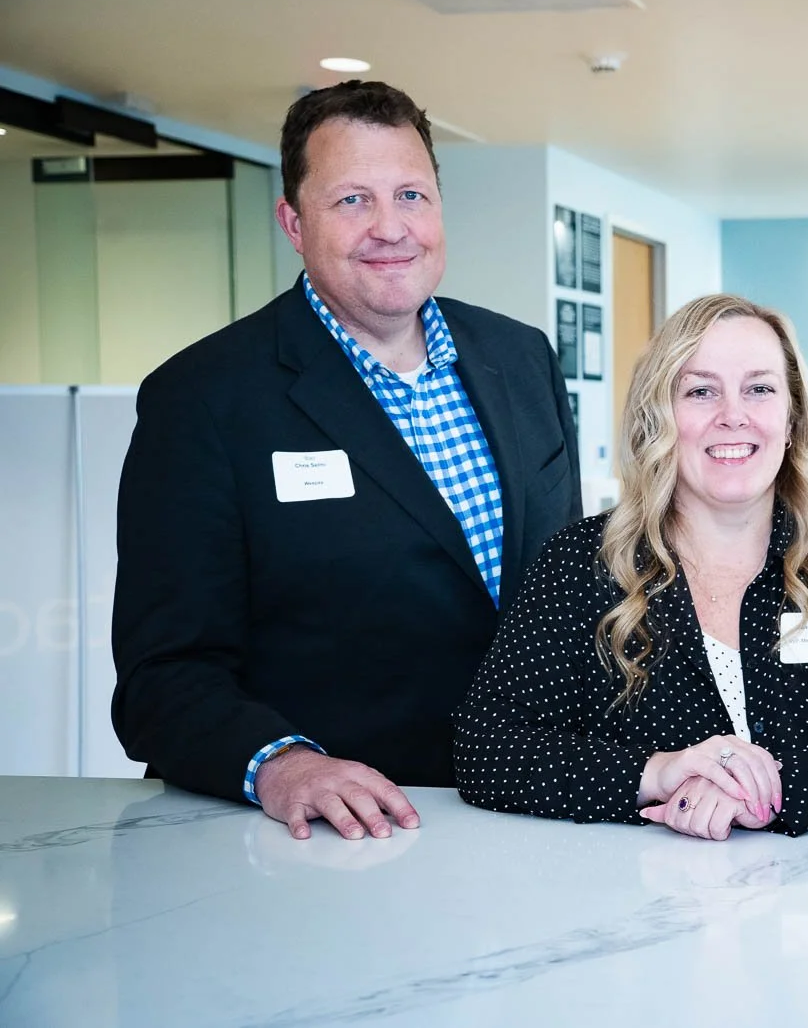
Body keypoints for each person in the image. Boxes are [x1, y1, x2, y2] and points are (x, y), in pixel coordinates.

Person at [111, 80, 582, 841]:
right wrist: (280, 764)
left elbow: (569, 597)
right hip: (333, 845)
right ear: (293, 223)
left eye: (411, 195)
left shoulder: (521, 356)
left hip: (532, 810)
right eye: (352, 201)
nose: (391, 227)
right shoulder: (204, 399)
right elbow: (164, 676)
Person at [454, 294, 808, 839]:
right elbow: (489, 745)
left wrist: (772, 792)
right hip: (623, 905)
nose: (732, 415)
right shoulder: (578, 567)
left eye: (759, 389)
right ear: (658, 416)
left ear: (792, 419)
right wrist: (656, 773)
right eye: (700, 390)